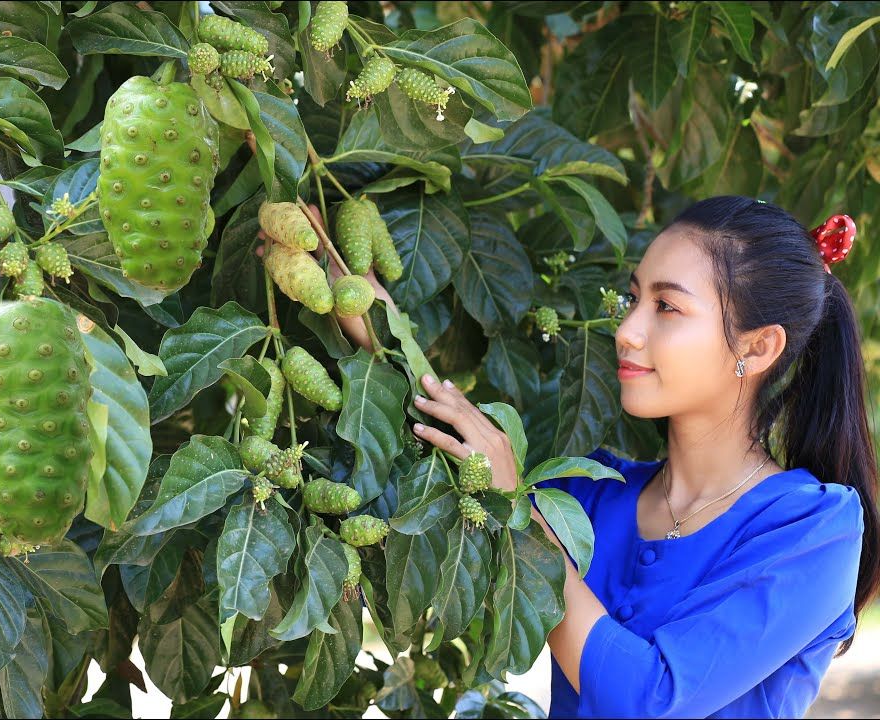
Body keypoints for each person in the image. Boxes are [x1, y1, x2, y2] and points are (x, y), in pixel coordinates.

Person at [304, 196, 878, 718]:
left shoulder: (813, 527)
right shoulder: (591, 493)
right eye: (633, 299)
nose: (626, 329)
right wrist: (353, 295)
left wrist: (519, 516)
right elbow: (455, 431)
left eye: (667, 308)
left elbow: (649, 699)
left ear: (757, 348)